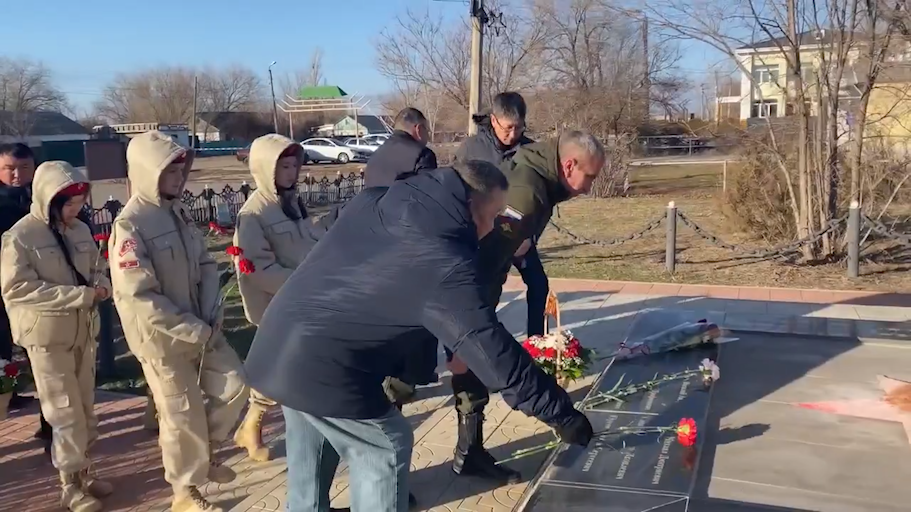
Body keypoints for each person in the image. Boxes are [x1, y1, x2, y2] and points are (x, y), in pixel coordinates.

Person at [244, 160, 594, 512]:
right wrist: (562, 416)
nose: (494, 227)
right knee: (386, 442)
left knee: (313, 437)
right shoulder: (442, 261)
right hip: (326, 367)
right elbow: (494, 353)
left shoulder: (381, 199)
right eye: (494, 215)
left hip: (278, 345)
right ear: (472, 207)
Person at [445, 131, 606, 483]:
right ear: (568, 165)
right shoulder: (527, 195)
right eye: (590, 177)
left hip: (464, 280)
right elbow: (486, 259)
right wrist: (466, 329)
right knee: (410, 375)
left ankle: (468, 452)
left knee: (467, 364)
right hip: (458, 286)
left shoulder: (541, 174)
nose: (590, 187)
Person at [109, 131, 249, 512]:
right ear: (147, 171)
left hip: (203, 330)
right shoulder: (129, 226)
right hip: (162, 342)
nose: (179, 176)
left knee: (236, 385)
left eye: (181, 168)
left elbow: (205, 263)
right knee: (180, 416)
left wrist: (212, 313)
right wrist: (192, 326)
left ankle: (205, 455)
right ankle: (185, 494)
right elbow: (140, 295)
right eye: (170, 170)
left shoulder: (179, 212)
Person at [0, 161, 114, 512]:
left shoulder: (78, 230)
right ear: (48, 199)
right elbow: (17, 289)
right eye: (67, 205)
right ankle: (69, 485)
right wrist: (79, 296)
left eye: (79, 205)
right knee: (63, 411)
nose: (74, 211)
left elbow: (96, 268)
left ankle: (83, 471)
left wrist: (103, 287)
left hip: (83, 332)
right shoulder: (19, 237)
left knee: (85, 408)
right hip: (47, 337)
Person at [231, 134, 315, 462]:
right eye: (284, 166)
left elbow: (306, 241)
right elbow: (257, 268)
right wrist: (302, 282)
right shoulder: (254, 214)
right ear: (266, 168)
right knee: (283, 369)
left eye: (295, 165)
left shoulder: (292, 203)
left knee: (284, 368)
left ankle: (252, 425)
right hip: (278, 304)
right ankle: (255, 427)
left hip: (304, 301)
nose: (291, 172)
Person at [454, 91, 548, 338]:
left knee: (539, 285)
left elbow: (542, 200)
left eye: (518, 128)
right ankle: (479, 345)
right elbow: (457, 192)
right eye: (507, 128)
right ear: (494, 121)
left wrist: (530, 236)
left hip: (521, 231)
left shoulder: (531, 152)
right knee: (486, 292)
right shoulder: (471, 149)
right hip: (484, 233)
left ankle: (536, 344)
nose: (512, 134)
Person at [0, 143, 53, 452]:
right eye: (9, 168)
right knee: (3, 356)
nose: (17, 175)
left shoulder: (43, 198)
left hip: (40, 291)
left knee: (44, 359)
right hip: (4, 292)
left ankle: (50, 426)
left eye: (23, 168)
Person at [363, 107, 437, 188]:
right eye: (426, 129)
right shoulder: (423, 155)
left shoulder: (375, 156)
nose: (427, 134)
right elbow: (430, 193)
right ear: (418, 129)